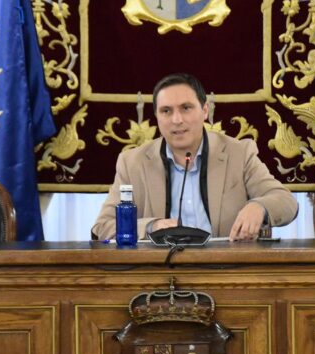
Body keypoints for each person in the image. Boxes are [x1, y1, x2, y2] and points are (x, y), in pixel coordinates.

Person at [92, 73, 298, 241]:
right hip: (159, 271)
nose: (177, 119)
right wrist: (151, 226)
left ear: (205, 110)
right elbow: (103, 227)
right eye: (166, 111)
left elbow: (287, 202)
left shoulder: (239, 153)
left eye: (186, 108)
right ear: (156, 117)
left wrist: (260, 207)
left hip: (226, 268)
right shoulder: (132, 163)